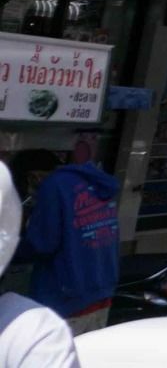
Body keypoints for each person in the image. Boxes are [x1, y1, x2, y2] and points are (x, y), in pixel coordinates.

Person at [18, 141, 118, 335]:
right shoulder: (93, 183)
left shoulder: (53, 186)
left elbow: (42, 244)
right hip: (100, 290)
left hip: (66, 296)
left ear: (34, 177)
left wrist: (10, 248)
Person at [0, 163, 79, 367]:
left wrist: (17, 248)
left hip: (66, 293)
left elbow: (42, 244)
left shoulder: (33, 333)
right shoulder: (82, 185)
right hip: (89, 288)